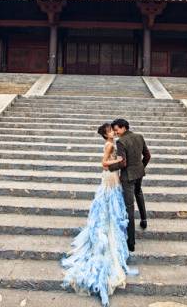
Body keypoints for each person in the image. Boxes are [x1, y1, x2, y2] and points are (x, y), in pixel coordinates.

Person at [62, 123, 137, 306]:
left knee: (112, 206)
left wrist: (118, 161)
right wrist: (118, 162)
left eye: (113, 129)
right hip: (110, 177)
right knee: (109, 205)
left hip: (113, 176)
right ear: (106, 134)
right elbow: (103, 163)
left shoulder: (113, 144)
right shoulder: (109, 145)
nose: (113, 132)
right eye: (110, 130)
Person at [104, 118, 150, 252]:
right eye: (114, 130)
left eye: (116, 129)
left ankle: (131, 242)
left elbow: (123, 163)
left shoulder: (121, 142)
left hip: (127, 177)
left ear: (124, 127)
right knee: (139, 193)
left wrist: (110, 168)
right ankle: (144, 220)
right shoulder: (139, 136)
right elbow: (147, 156)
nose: (115, 132)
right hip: (139, 173)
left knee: (129, 207)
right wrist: (140, 168)